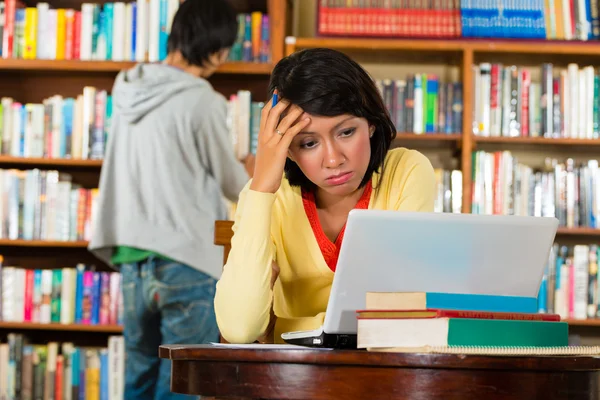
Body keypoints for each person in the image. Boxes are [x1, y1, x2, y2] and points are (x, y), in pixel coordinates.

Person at [214, 48, 437, 345]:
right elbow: (240, 329)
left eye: (345, 132)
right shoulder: (265, 198)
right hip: (291, 383)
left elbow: (399, 321)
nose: (333, 160)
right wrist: (262, 188)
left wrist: (279, 328)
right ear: (287, 149)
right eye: (308, 143)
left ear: (371, 122)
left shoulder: (406, 172)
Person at [88, 0, 253, 398]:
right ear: (215, 47)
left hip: (132, 257)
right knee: (180, 383)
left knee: (139, 376)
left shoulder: (126, 88)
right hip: (186, 262)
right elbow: (235, 184)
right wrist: (250, 165)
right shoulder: (203, 99)